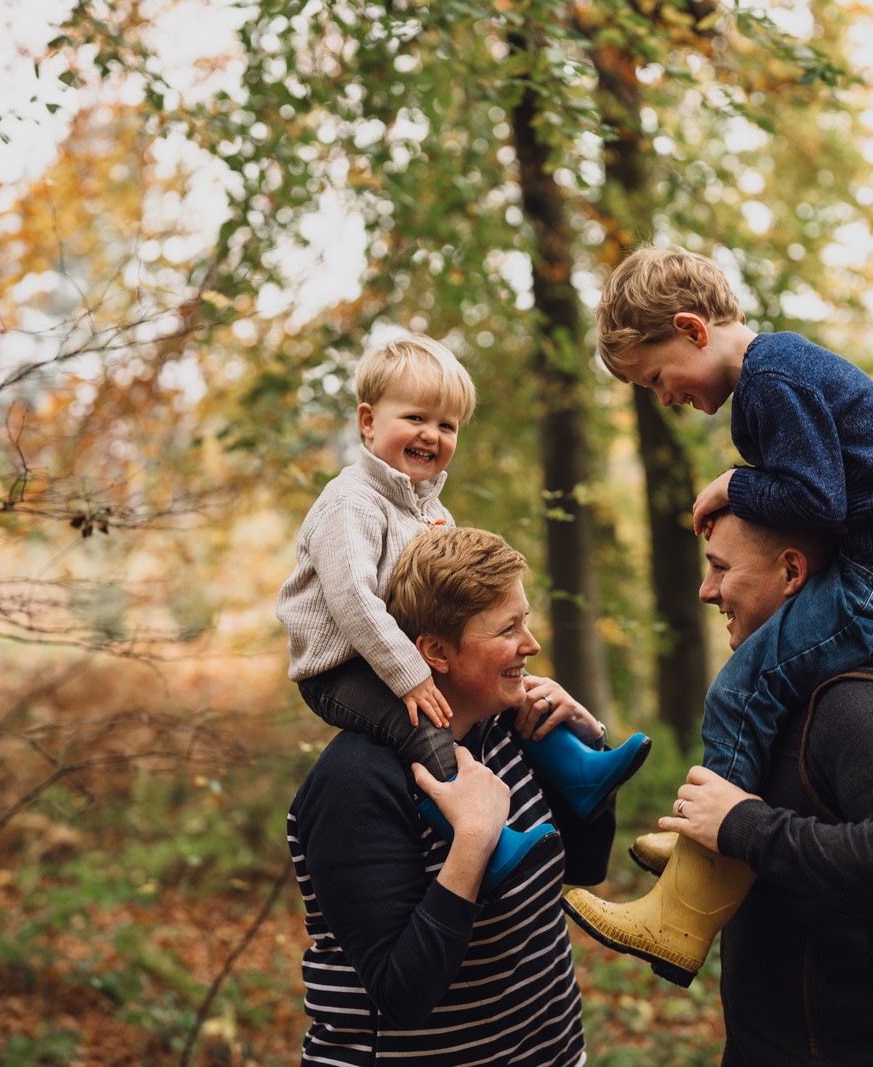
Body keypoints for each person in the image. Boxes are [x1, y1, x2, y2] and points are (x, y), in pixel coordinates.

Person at [565, 245, 873, 980]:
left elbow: (817, 500)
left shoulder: (773, 380)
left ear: (691, 328)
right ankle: (700, 847)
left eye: (657, 377)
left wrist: (733, 485)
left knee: (746, 683)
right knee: (755, 679)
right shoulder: (771, 379)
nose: (664, 395)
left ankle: (689, 899)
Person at [574, 512, 873, 1064]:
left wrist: (743, 826)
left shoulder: (864, 702)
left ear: (791, 571)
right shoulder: (792, 691)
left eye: (720, 568)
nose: (706, 591)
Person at [276, 334, 648, 895]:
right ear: (368, 421)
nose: (432, 434)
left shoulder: (431, 511)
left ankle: (579, 769)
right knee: (425, 725)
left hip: (402, 655)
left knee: (512, 694)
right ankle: (486, 842)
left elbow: (451, 600)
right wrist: (411, 674)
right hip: (342, 669)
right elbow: (352, 601)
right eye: (417, 417)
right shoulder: (350, 503)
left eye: (447, 426)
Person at [288, 527, 618, 1065]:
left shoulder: (506, 728)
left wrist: (585, 743)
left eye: (525, 620)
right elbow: (401, 997)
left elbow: (584, 866)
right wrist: (473, 843)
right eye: (508, 629)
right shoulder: (355, 780)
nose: (531, 645)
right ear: (435, 652)